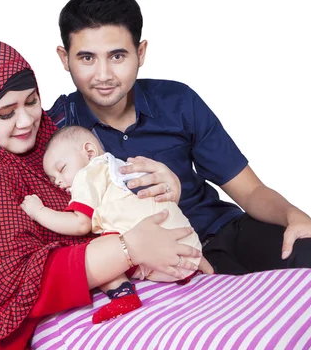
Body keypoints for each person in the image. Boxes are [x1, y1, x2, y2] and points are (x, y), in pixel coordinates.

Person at [0, 0, 311, 347]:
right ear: (64, 60)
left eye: (118, 55)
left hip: (223, 228)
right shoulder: (56, 126)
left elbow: (251, 191)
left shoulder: (177, 101)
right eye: (86, 58)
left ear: (141, 51)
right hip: (171, 260)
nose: (103, 74)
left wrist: (297, 217)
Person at [20, 125, 202, 324]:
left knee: (94, 251)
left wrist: (39, 212)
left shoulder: (88, 173)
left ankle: (124, 296)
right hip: (187, 247)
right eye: (53, 180)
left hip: (154, 248)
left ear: (89, 152)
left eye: (62, 169)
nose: (59, 182)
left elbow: (80, 224)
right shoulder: (115, 165)